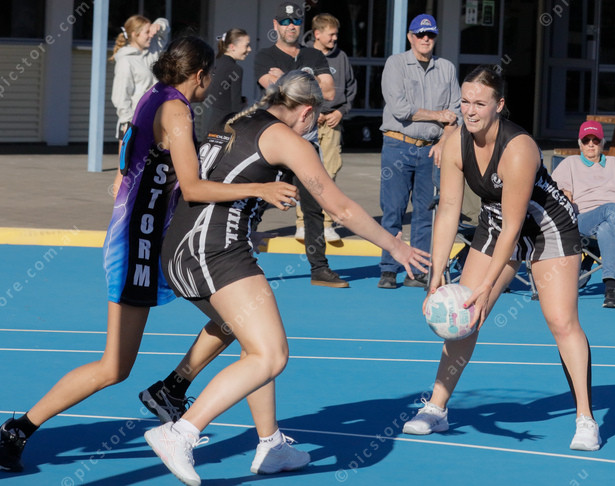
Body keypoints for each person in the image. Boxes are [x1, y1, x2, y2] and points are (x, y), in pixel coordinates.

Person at [0, 36, 299, 473]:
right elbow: (193, 187)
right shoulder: (176, 110)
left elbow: (138, 167)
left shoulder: (154, 96)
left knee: (237, 318)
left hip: (147, 238)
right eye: (211, 75)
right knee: (114, 366)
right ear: (200, 75)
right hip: (137, 245)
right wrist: (260, 188)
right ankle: (18, 430)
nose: (212, 83)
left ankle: (173, 388)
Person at [143, 70, 431, 485]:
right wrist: (396, 247)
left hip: (189, 245)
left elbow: (217, 180)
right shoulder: (286, 139)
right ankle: (180, 433)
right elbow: (340, 208)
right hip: (212, 250)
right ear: (308, 111)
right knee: (271, 354)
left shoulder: (240, 119)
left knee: (255, 346)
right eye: (320, 116)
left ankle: (271, 444)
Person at [401, 66, 601, 452]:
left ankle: (585, 418)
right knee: (465, 318)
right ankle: (437, 408)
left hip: (547, 226)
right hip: (496, 220)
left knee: (561, 321)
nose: (470, 110)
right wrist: (436, 275)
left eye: (480, 103)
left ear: (499, 105)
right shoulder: (456, 142)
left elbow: (514, 229)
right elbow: (448, 210)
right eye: (465, 102)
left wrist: (487, 287)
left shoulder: (519, 148)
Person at [254, 1, 349, 288]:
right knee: (255, 205)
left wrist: (283, 79)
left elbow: (329, 91)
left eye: (295, 21)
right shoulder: (264, 56)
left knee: (313, 208)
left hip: (306, 145)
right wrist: (307, 81)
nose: (290, 26)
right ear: (275, 25)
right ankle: (239, 261)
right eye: (284, 22)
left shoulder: (313, 54)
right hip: (273, 145)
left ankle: (319, 268)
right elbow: (272, 91)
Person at [378, 14, 461, 289]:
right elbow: (401, 109)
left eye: (430, 35)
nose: (426, 39)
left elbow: (456, 112)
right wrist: (439, 115)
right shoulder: (396, 64)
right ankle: (389, 269)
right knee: (393, 210)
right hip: (398, 145)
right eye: (420, 34)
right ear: (410, 37)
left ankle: (418, 271)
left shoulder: (446, 68)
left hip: (431, 149)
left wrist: (444, 141)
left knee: (425, 213)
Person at [551, 121, 615, 308]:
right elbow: (553, 190)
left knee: (606, 227)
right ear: (580, 144)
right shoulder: (570, 164)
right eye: (586, 140)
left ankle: (611, 290)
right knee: (612, 209)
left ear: (602, 143)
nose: (591, 144)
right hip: (585, 219)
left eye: (595, 140)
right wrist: (563, 193)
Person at [295, 13, 357, 243]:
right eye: (331, 34)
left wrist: (341, 112)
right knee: (305, 173)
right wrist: (313, 111)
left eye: (336, 34)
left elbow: (350, 89)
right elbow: (294, 88)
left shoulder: (341, 57)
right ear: (317, 34)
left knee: (330, 173)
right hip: (307, 122)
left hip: (333, 123)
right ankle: (302, 224)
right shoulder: (303, 55)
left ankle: (327, 224)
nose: (335, 38)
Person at [110, 15, 170, 197]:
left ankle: (138, 206)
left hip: (153, 121)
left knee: (147, 171)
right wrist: (129, 123)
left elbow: (165, 28)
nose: (150, 35)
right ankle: (120, 210)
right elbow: (120, 96)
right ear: (135, 34)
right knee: (124, 173)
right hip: (132, 124)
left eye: (150, 31)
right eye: (146, 32)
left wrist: (158, 25)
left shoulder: (153, 50)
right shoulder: (126, 61)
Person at [206, 28, 252, 131]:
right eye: (247, 45)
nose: (249, 49)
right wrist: (243, 104)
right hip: (225, 126)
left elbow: (219, 94)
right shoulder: (235, 69)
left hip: (211, 124)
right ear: (232, 47)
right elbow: (235, 107)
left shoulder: (215, 63)